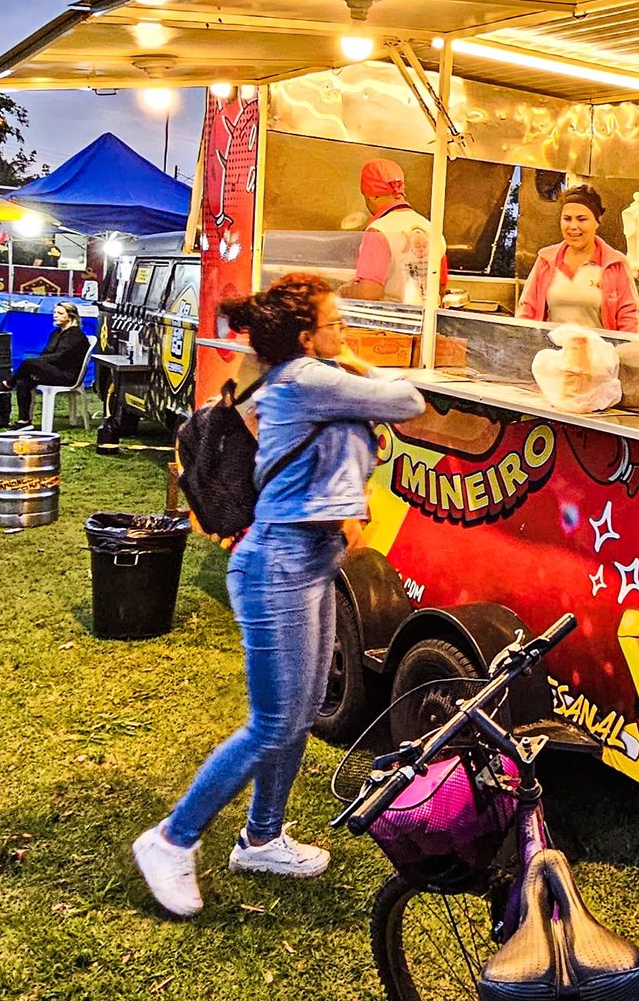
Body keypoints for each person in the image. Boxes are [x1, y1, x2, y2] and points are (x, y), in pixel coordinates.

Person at [131, 273, 426, 918]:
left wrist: (341, 356)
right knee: (276, 722)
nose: (345, 332)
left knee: (301, 708)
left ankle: (261, 838)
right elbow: (407, 401)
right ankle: (170, 840)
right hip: (279, 564)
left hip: (312, 558)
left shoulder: (308, 379)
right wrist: (348, 359)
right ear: (305, 338)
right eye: (335, 323)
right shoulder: (309, 380)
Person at [516, 184, 639, 332]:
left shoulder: (615, 263)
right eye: (567, 219)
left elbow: (630, 316)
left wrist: (619, 351)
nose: (573, 226)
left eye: (582, 219)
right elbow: (527, 310)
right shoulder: (546, 259)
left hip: (598, 352)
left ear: (597, 221)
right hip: (553, 351)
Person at [340, 159, 445, 304]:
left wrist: (343, 291)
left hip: (393, 321)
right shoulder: (431, 228)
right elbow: (440, 285)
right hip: (425, 320)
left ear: (372, 196)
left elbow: (369, 293)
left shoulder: (379, 231)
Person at [0, 301, 90, 427]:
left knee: (29, 362)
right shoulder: (56, 333)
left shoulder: (75, 335)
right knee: (23, 381)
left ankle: (8, 384)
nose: (55, 315)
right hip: (53, 370)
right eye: (55, 312)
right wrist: (37, 370)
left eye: (60, 313)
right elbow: (46, 353)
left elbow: (60, 357)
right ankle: (24, 420)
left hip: (67, 375)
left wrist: (38, 366)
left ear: (70, 316)